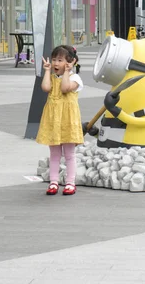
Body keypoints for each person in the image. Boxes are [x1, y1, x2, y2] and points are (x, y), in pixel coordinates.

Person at [36, 45, 84, 196]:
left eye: (60, 60)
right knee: (54, 154)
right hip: (53, 119)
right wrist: (47, 71)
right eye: (55, 59)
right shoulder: (51, 76)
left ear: (70, 62)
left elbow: (65, 88)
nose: (56, 63)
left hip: (68, 120)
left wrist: (68, 72)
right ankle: (54, 182)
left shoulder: (75, 78)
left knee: (69, 154)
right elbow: (44, 88)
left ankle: (70, 183)